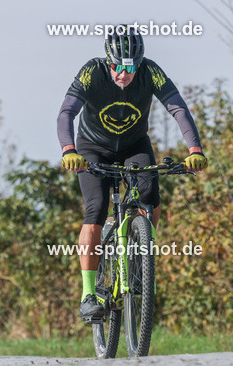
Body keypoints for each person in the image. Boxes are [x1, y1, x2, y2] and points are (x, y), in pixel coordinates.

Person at [57, 25, 208, 323]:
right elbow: (66, 113)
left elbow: (178, 108)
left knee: (150, 197)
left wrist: (195, 150)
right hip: (92, 148)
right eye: (117, 67)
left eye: (129, 68)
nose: (122, 74)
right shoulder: (93, 71)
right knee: (96, 207)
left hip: (134, 146)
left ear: (138, 63)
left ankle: (141, 262)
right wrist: (68, 150)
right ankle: (89, 294)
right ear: (108, 61)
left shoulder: (150, 71)